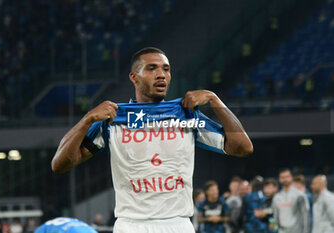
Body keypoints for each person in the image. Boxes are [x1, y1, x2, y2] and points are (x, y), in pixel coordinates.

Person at [51, 47, 253, 233]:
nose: (161, 75)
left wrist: (214, 99)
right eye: (152, 68)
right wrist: (87, 120)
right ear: (134, 77)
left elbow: (243, 148)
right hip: (131, 225)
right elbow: (60, 164)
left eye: (166, 69)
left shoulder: (186, 116)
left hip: (178, 224)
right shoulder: (112, 119)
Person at [272, 168, 310, 233]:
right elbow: (275, 216)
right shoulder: (276, 197)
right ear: (279, 179)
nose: (285, 179)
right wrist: (274, 231)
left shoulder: (300, 195)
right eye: (282, 177)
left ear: (291, 178)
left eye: (287, 177)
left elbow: (306, 216)